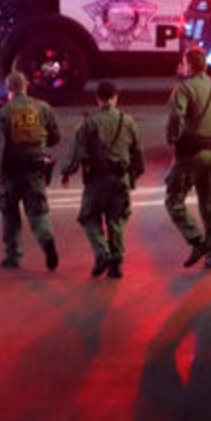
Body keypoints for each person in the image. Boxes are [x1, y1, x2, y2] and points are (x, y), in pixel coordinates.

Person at [165, 47, 211, 270]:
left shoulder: (184, 89)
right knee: (210, 205)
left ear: (189, 64)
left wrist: (172, 140)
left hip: (190, 155)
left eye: (184, 62)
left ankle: (197, 240)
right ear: (205, 65)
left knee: (173, 200)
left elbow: (176, 117)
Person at [60, 80, 144, 278]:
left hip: (96, 179)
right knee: (116, 220)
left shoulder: (88, 123)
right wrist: (132, 177)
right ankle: (116, 263)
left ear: (97, 98)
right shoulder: (129, 122)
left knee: (88, 217)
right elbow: (138, 155)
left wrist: (67, 172)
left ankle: (101, 253)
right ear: (116, 97)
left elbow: (76, 154)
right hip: (120, 179)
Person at [0, 71, 60, 271]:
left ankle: (13, 256)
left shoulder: (3, 113)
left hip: (11, 172)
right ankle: (46, 240)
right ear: (26, 85)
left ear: (8, 88)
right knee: (38, 211)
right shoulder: (43, 108)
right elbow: (55, 137)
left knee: (9, 214)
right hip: (35, 169)